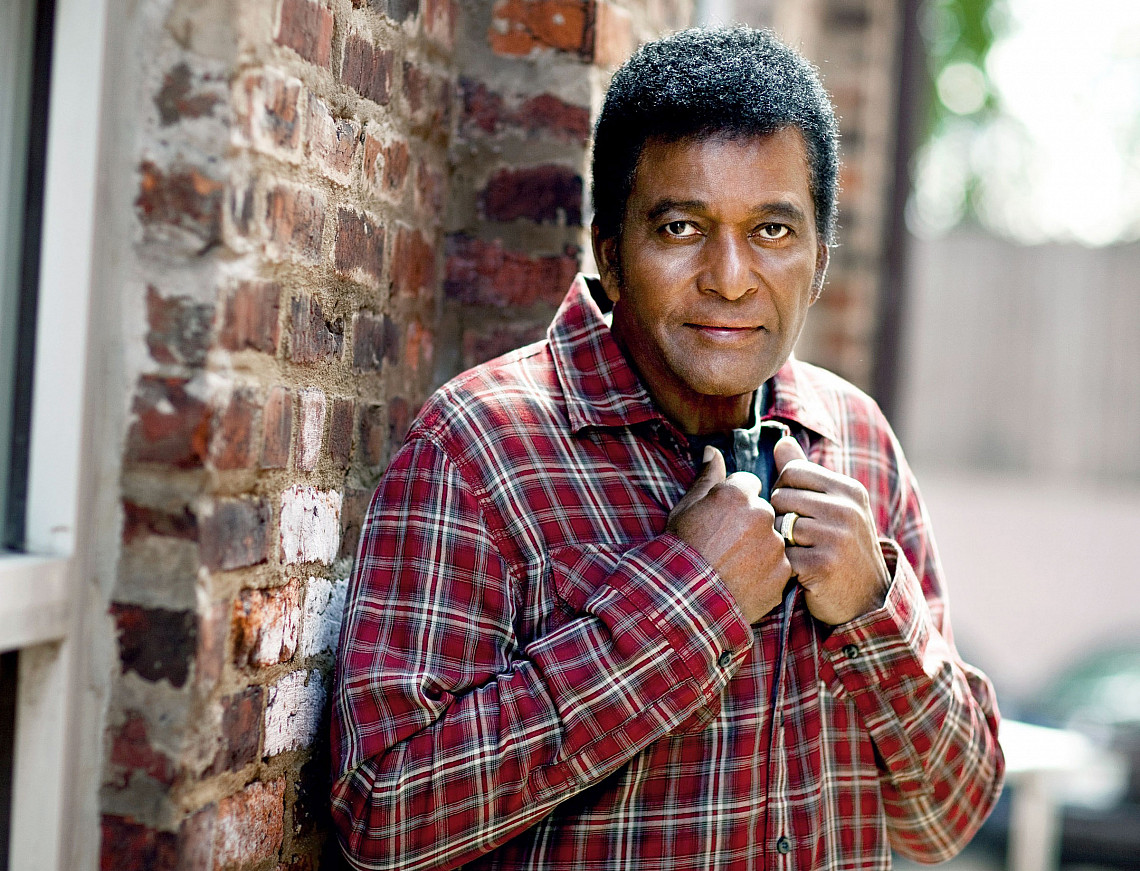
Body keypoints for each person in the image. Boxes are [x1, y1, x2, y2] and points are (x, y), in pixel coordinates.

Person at [330, 26, 1004, 871]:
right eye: (682, 226)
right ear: (611, 254)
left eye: (773, 231)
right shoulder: (479, 448)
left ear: (820, 262)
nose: (730, 277)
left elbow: (949, 819)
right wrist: (688, 600)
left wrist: (874, 607)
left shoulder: (856, 439)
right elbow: (383, 819)